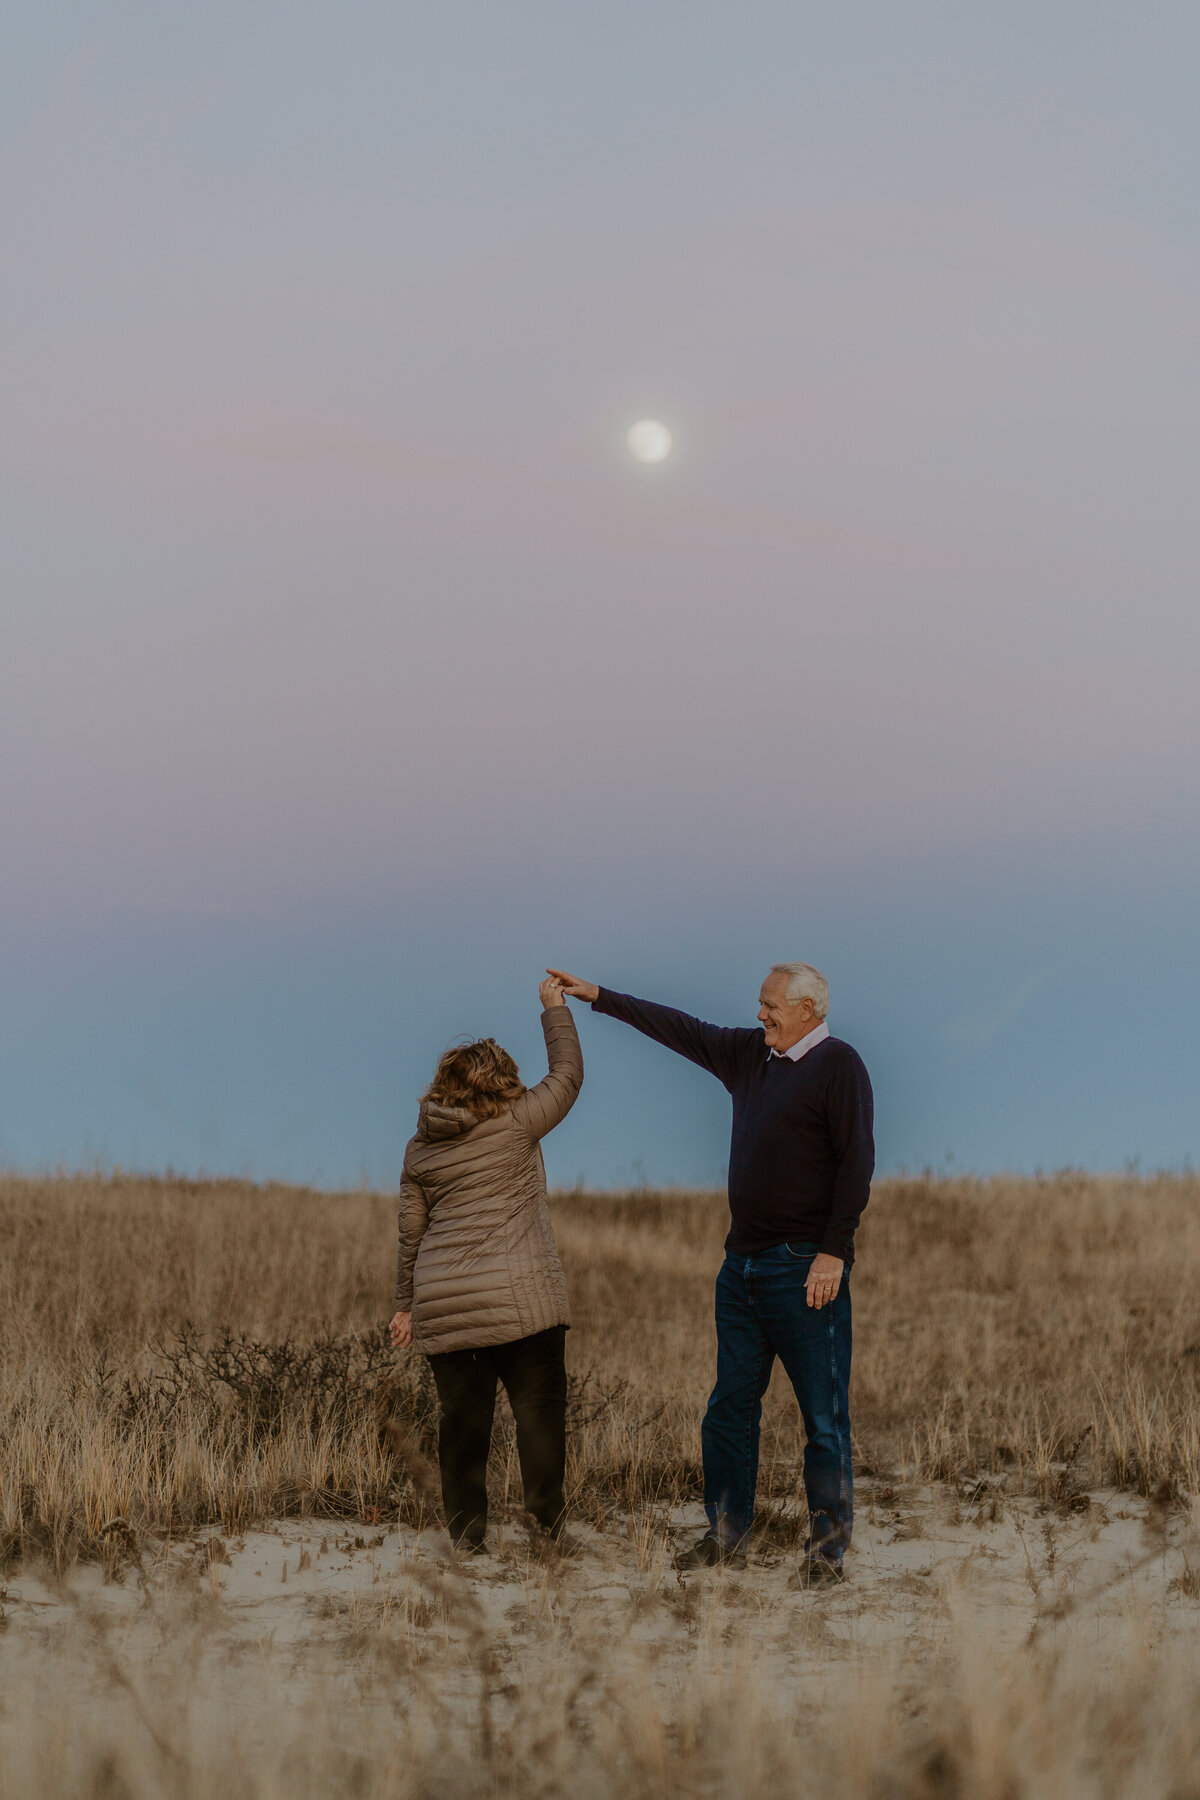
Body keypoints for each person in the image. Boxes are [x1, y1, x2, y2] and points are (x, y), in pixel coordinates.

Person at [547, 962, 873, 1586]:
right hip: (740, 1269)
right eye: (759, 1004)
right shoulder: (752, 1056)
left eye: (770, 1005)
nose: (760, 1015)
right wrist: (599, 997)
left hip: (804, 1270)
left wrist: (835, 1253)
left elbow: (857, 1162)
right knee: (728, 1408)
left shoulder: (841, 1066)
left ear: (807, 1009)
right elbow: (681, 1029)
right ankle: (727, 1532)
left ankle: (827, 1552)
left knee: (823, 1418)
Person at [388, 976, 583, 1553]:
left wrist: (405, 1305)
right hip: (524, 1306)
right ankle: (546, 1533)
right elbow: (568, 1075)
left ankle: (467, 1537)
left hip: (447, 1306)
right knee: (539, 1420)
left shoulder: (419, 1147)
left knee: (463, 1428)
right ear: (502, 1080)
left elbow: (410, 1235)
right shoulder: (519, 1121)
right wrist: (553, 1008)